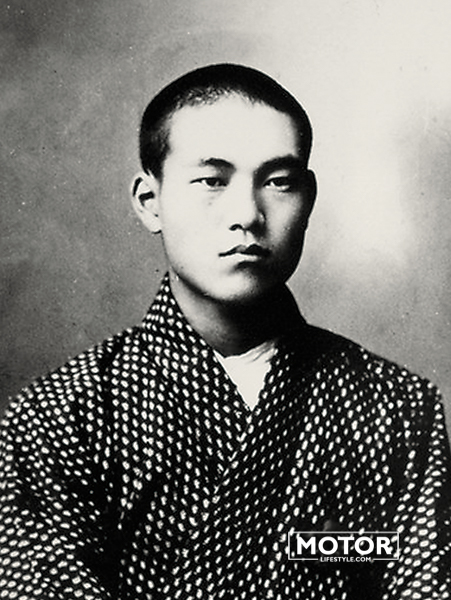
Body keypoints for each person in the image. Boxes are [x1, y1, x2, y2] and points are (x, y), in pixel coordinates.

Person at [0, 63, 450, 600]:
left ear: (307, 199)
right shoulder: (60, 415)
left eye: (278, 182)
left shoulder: (397, 407)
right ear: (150, 202)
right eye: (212, 180)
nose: (247, 214)